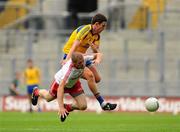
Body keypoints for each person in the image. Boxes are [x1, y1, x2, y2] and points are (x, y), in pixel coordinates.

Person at [61, 13, 117, 110]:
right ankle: (102, 103)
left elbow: (96, 52)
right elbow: (74, 46)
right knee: (90, 75)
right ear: (96, 24)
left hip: (82, 57)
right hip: (73, 56)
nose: (104, 28)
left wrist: (93, 47)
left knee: (97, 78)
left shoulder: (97, 36)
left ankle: (74, 79)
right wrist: (66, 59)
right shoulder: (85, 30)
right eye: (103, 26)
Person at [32, 52, 100, 122]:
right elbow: (60, 89)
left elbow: (98, 54)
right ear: (74, 64)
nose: (82, 64)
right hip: (59, 84)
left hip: (74, 83)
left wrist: (97, 59)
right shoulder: (68, 72)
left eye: (82, 62)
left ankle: (67, 107)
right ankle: (36, 92)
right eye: (79, 63)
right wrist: (61, 107)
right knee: (48, 98)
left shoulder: (84, 59)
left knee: (83, 106)